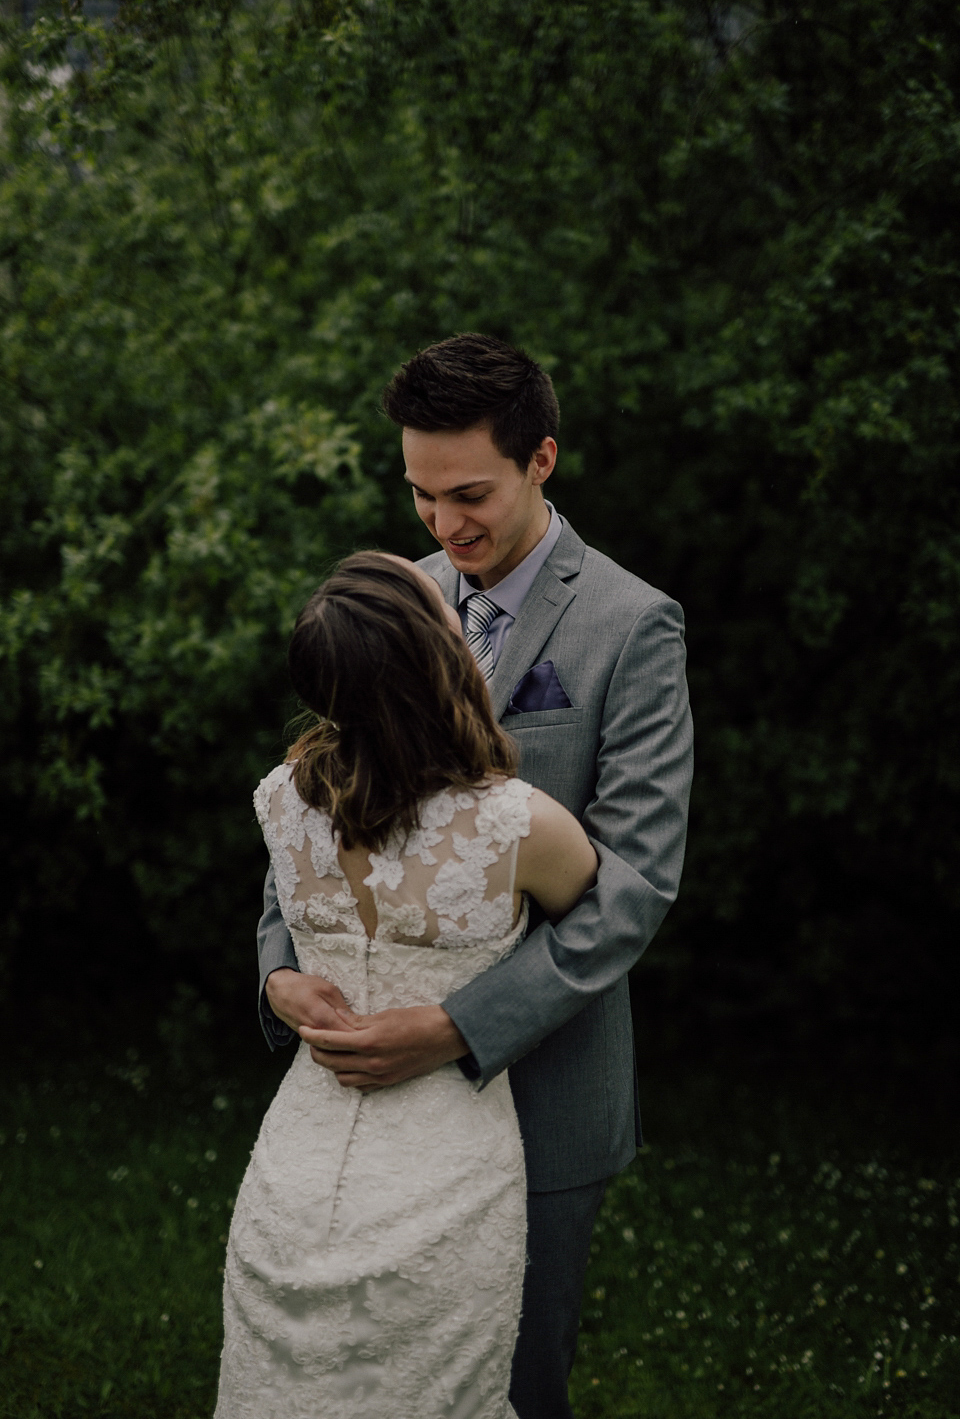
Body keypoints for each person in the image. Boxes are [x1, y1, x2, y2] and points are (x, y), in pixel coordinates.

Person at [259, 334, 694, 1418]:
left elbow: (632, 882)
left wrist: (459, 1024)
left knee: (506, 1385)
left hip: (541, 1091)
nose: (445, 528)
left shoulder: (631, 625)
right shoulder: (395, 600)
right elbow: (317, 797)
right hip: (360, 1112)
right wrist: (278, 968)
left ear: (541, 459)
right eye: (419, 494)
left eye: (470, 495)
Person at [217, 551, 599, 1419]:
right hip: (447, 1169)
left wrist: (282, 973)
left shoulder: (280, 800)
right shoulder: (520, 824)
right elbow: (592, 909)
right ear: (440, 656)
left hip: (296, 1169)